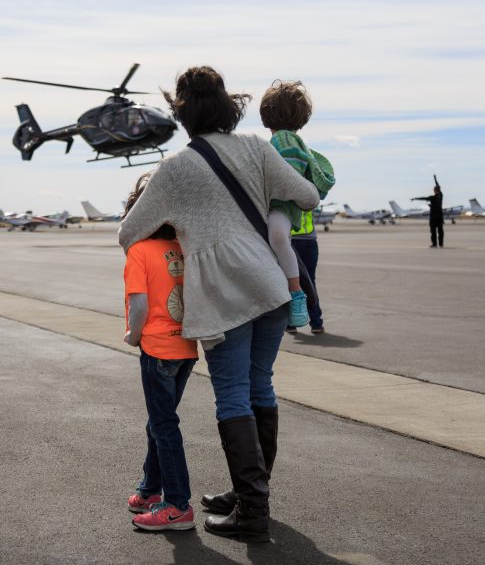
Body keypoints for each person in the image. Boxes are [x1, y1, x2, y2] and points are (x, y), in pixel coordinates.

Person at [119, 66, 319, 542]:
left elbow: (128, 233)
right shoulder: (255, 146)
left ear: (182, 113)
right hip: (270, 286)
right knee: (260, 388)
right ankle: (249, 495)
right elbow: (307, 196)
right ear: (228, 106)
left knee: (232, 395)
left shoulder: (174, 169)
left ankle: (253, 512)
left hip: (224, 297)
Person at [122, 172, 199, 532]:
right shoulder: (182, 248)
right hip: (186, 348)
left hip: (156, 349)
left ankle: (178, 505)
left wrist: (132, 335)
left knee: (165, 426)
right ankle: (150, 490)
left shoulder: (138, 251)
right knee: (159, 421)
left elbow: (138, 304)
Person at [259, 80, 334, 330]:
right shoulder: (290, 139)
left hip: (281, 206)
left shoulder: (283, 140)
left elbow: (286, 178)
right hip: (282, 208)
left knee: (279, 239)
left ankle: (295, 292)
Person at [287, 209, 326, 334]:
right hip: (309, 240)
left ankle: (291, 323)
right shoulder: (309, 191)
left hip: (290, 240)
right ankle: (316, 323)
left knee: (290, 281)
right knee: (310, 282)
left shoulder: (285, 192)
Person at [412, 177, 444, 247]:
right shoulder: (441, 196)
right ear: (439, 190)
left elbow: (423, 198)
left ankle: (434, 244)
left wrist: (415, 198)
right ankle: (441, 244)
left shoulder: (432, 197)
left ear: (434, 190)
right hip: (440, 217)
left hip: (433, 217)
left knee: (433, 231)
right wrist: (435, 180)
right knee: (440, 231)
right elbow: (438, 186)